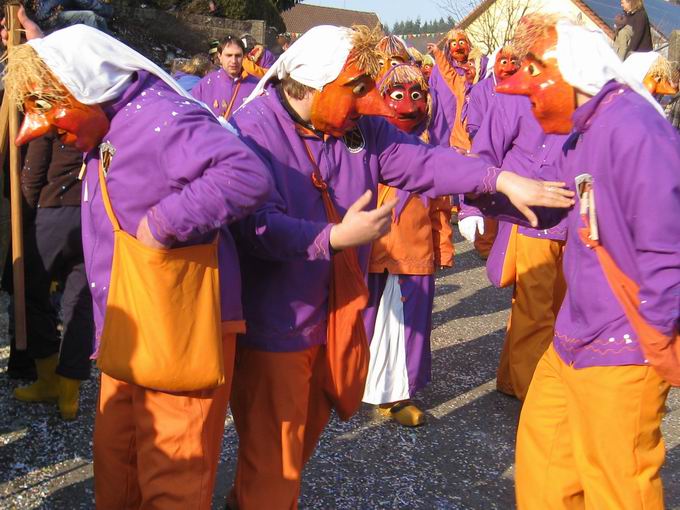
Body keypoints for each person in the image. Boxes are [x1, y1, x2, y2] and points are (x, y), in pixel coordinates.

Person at [226, 24, 573, 509]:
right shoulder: (252, 132)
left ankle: (250, 498)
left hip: (340, 310)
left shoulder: (360, 130)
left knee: (303, 434)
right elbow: (253, 226)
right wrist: (333, 237)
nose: (371, 101)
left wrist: (499, 179)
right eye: (358, 89)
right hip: (277, 321)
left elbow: (426, 161)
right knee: (275, 451)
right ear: (314, 85)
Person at [5, 21, 271, 508]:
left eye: (50, 111)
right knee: (117, 462)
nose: (39, 130)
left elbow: (246, 174)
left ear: (85, 86)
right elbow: (69, 67)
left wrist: (164, 224)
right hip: (131, 323)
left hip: (181, 328)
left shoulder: (164, 117)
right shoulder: (105, 107)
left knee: (174, 476)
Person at [472, 16, 680, 508]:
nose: (529, 99)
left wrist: (655, 337)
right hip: (571, 337)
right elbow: (557, 206)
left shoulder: (634, 129)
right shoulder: (582, 132)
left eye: (534, 83)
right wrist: (479, 188)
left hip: (623, 344)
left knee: (617, 485)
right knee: (545, 467)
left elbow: (667, 248)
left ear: (570, 71)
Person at [460, 37, 568, 401]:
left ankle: (512, 377)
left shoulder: (584, 95)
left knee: (554, 308)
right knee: (535, 311)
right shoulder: (513, 97)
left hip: (572, 223)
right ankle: (532, 394)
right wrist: (471, 205)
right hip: (529, 220)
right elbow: (484, 150)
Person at [362, 63, 452, 427]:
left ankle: (398, 394)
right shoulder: (363, 143)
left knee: (405, 329)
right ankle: (355, 381)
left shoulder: (430, 149)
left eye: (416, 96)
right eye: (398, 96)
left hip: (413, 255)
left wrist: (443, 245)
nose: (408, 105)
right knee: (364, 321)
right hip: (370, 251)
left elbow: (440, 203)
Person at [12, 132, 94, 420]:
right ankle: (69, 396)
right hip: (89, 213)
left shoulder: (48, 116)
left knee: (28, 293)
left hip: (53, 212)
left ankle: (49, 382)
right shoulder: (99, 108)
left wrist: (21, 221)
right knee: (80, 303)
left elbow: (33, 174)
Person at [426, 29, 487, 150]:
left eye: (462, 42)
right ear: (448, 47)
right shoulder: (441, 72)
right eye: (454, 44)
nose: (458, 47)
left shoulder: (480, 77)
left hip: (473, 138)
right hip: (447, 131)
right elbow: (446, 76)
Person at [192, 35, 259, 118]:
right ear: (220, 56)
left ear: (244, 56)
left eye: (238, 56)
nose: (233, 61)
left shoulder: (256, 86)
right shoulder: (204, 86)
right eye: (229, 55)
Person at [31, 0, 113, 32]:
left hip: (47, 16)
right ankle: (101, 51)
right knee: (90, 17)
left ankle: (112, 43)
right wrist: (108, 9)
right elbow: (87, 3)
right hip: (49, 19)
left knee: (99, 19)